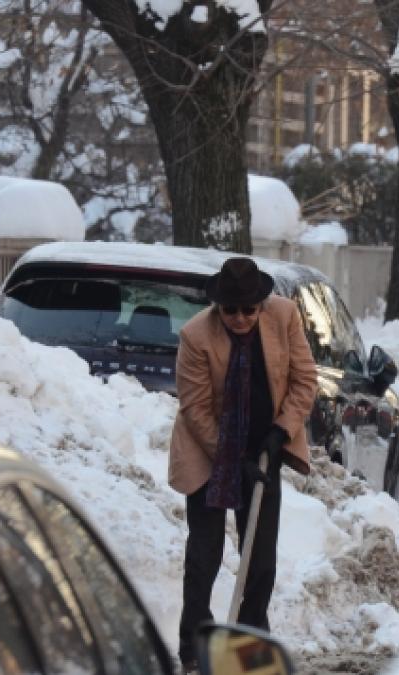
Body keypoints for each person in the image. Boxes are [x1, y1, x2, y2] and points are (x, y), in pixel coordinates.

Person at [169, 257, 317, 673]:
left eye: (248, 310)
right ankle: (194, 648)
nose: (239, 318)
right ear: (219, 308)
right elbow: (195, 409)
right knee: (204, 554)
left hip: (265, 446)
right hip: (209, 449)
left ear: (261, 304)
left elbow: (305, 380)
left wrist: (279, 432)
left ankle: (250, 648)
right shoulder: (196, 335)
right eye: (230, 310)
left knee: (260, 559)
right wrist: (233, 460)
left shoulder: (284, 317)